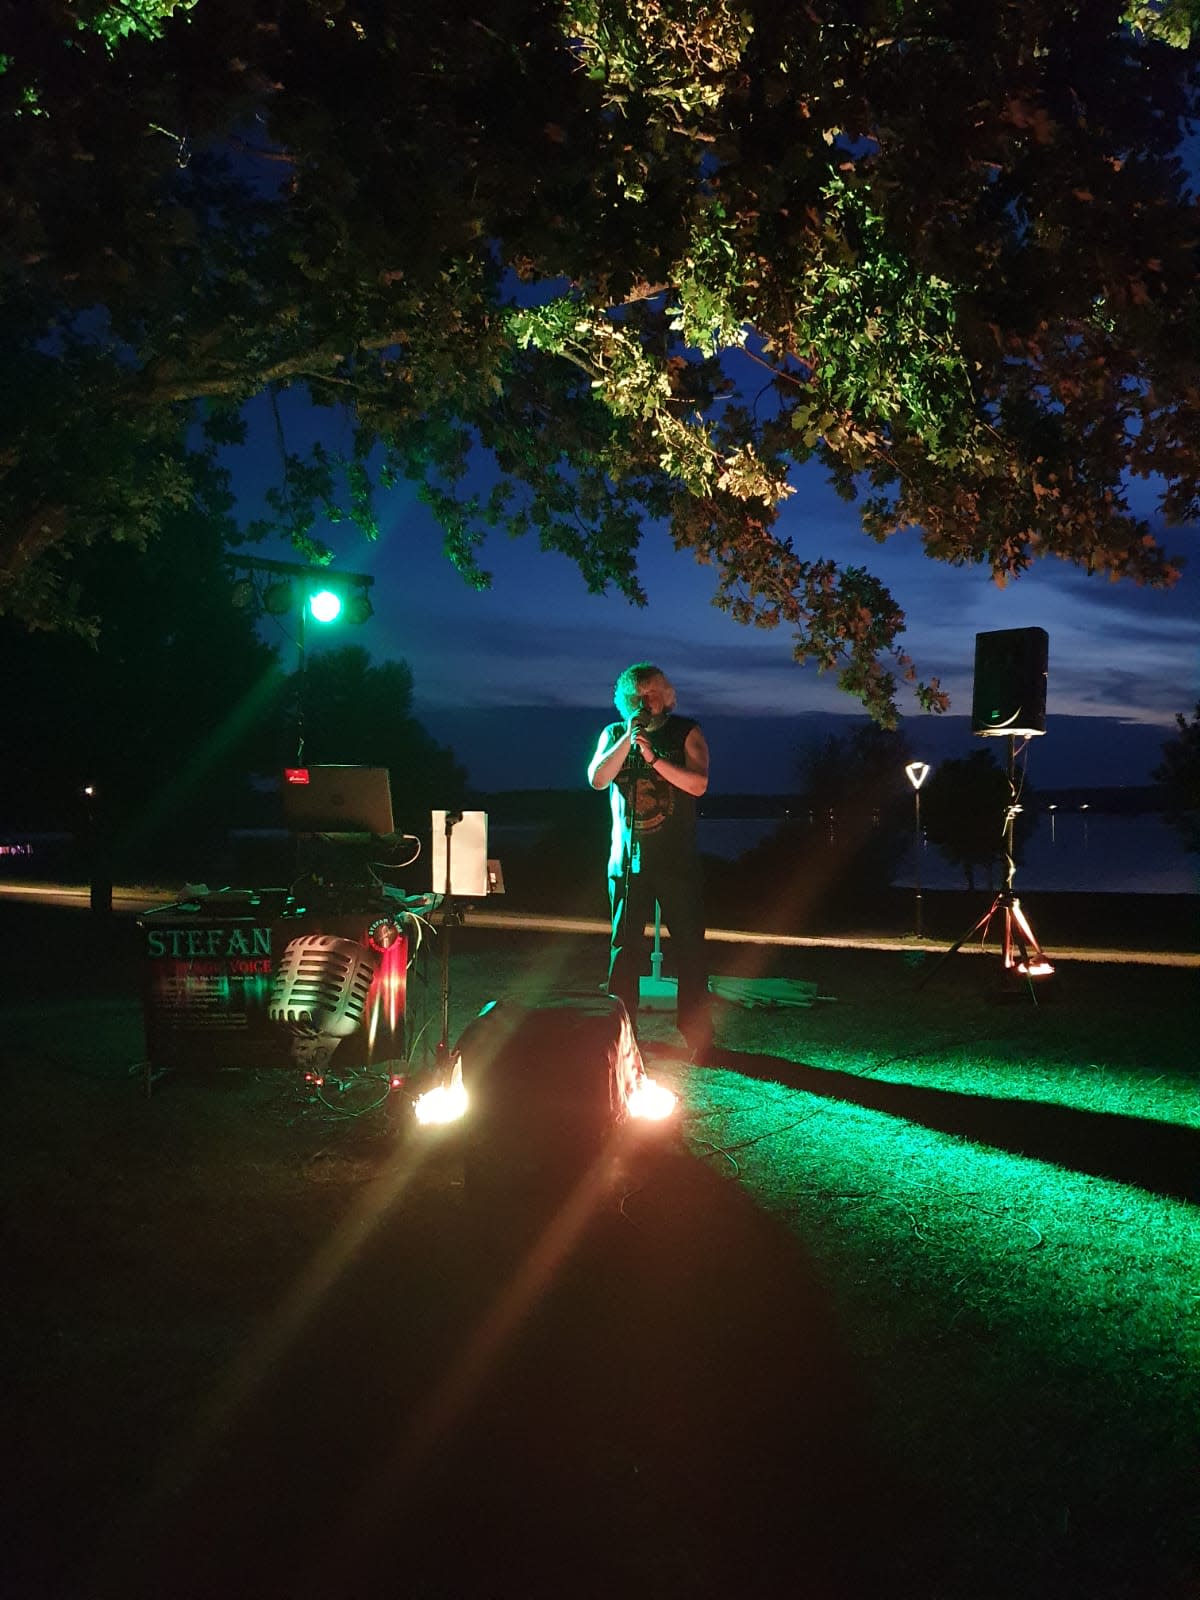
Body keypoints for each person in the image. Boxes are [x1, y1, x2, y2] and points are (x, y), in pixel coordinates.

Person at [587, 662, 712, 1055]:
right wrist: (628, 739)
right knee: (625, 950)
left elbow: (699, 784)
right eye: (638, 695)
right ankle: (622, 1031)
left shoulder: (686, 731)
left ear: (667, 695)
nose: (646, 701)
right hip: (627, 862)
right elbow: (598, 779)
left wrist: (654, 758)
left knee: (690, 947)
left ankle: (696, 1033)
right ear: (626, 701)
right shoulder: (613, 734)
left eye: (653, 693)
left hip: (676, 861)